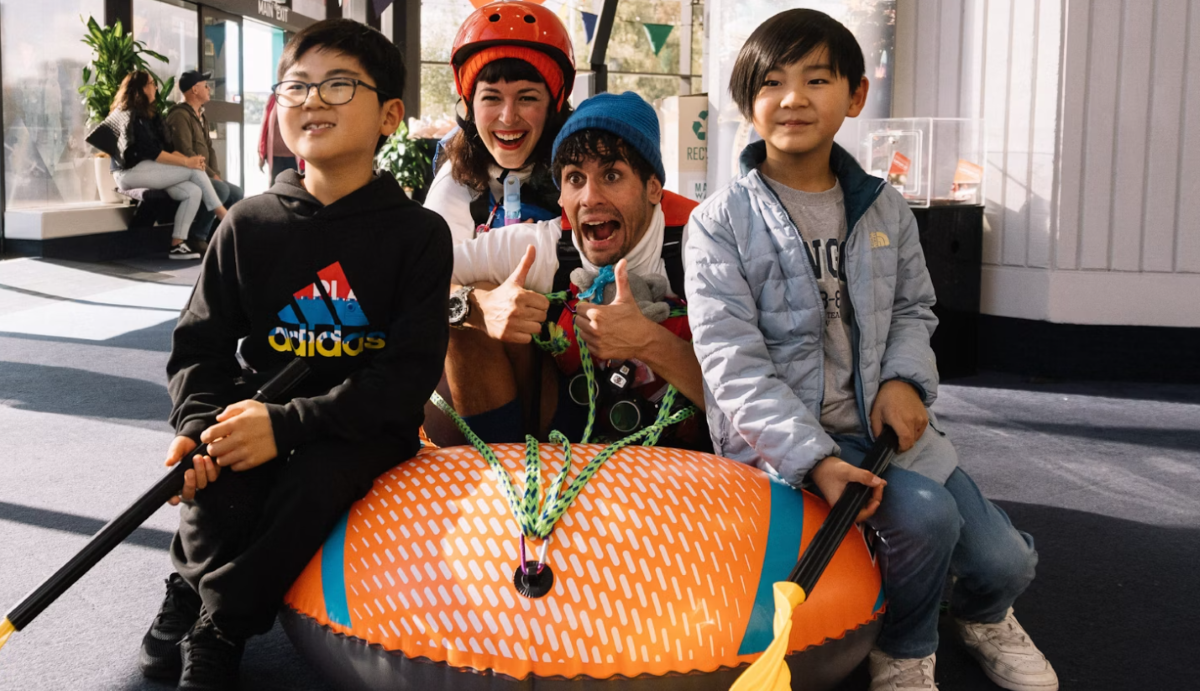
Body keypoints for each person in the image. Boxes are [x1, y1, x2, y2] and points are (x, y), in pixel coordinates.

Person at [684, 10, 1059, 691]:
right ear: (748, 101)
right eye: (771, 82)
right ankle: (905, 647)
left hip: (891, 430)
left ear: (854, 96)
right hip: (787, 444)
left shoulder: (886, 208)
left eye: (816, 79)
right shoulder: (719, 223)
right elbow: (731, 363)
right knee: (926, 518)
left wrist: (907, 380)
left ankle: (980, 614)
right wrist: (813, 459)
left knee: (1006, 561)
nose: (792, 97)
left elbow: (916, 307)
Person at [137, 19, 452, 690]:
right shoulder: (247, 223)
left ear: (390, 115)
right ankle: (188, 581)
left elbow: (405, 378)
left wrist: (287, 427)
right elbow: (199, 346)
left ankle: (217, 620)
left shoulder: (420, 235)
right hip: (260, 407)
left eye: (339, 85)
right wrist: (197, 424)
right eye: (297, 86)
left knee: (313, 482)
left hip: (360, 426)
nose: (313, 100)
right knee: (221, 467)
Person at [440, 91, 705, 448]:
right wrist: (476, 307)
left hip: (689, 455)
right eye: (575, 179)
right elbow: (416, 278)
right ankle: (507, 481)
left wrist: (648, 341)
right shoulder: (543, 246)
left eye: (611, 175)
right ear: (561, 196)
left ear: (653, 188)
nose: (590, 197)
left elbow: (748, 397)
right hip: (563, 438)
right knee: (470, 306)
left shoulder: (701, 245)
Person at [423, 0, 576, 244]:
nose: (508, 117)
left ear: (553, 105)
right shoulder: (457, 175)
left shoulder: (583, 168)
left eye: (527, 98)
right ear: (470, 106)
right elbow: (433, 275)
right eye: (491, 97)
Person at [109, 70, 228, 260]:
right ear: (140, 88)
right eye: (151, 83)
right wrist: (188, 162)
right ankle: (223, 214)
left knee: (193, 191)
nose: (155, 87)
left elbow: (166, 149)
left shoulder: (150, 115)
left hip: (148, 169)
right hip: (129, 173)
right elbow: (154, 154)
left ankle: (177, 244)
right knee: (192, 171)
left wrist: (190, 160)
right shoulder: (130, 114)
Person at [165, 70, 245, 255]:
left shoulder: (201, 116)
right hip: (186, 173)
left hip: (204, 173)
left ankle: (217, 236)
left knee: (237, 192)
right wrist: (211, 176)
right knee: (221, 189)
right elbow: (186, 152)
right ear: (194, 89)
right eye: (205, 85)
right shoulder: (179, 115)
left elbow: (209, 148)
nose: (209, 89)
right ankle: (197, 237)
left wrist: (214, 172)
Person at [258, 92, 301, 182]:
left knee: (295, 187)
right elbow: (265, 127)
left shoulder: (299, 98)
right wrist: (261, 154)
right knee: (276, 186)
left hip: (295, 155)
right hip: (274, 155)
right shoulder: (273, 98)